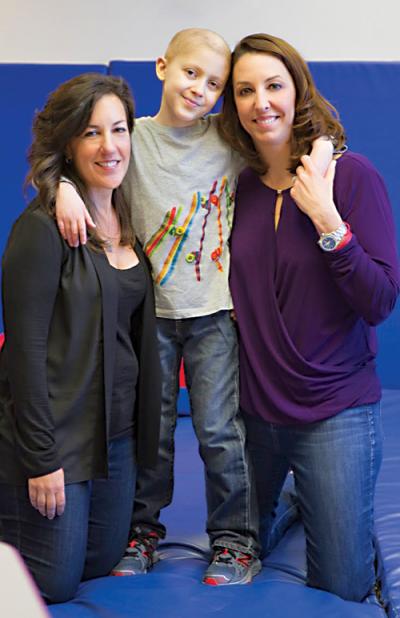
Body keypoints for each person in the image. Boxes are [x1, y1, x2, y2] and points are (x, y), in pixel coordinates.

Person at [54, 28, 333, 586]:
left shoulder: (230, 142)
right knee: (150, 433)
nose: (200, 89)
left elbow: (298, 136)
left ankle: (234, 539)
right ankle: (142, 531)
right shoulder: (131, 139)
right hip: (149, 317)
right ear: (162, 67)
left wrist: (325, 148)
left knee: (218, 431)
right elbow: (81, 159)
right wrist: (62, 184)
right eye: (190, 74)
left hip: (214, 314)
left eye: (214, 83)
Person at [218, 32, 400, 602]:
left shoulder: (351, 177)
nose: (260, 102)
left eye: (274, 85)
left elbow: (380, 300)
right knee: (241, 546)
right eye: (245, 90)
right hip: (256, 410)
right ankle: (299, 500)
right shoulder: (237, 186)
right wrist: (68, 184)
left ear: (298, 90)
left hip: (334, 409)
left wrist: (327, 221)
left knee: (343, 584)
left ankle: (317, 495)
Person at [0, 73, 161, 604]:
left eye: (119, 130)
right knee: (55, 583)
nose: (109, 146)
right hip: (57, 440)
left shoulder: (131, 213)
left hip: (115, 439)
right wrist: (41, 459)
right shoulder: (43, 229)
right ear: (69, 142)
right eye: (91, 133)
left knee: (102, 560)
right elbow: (23, 353)